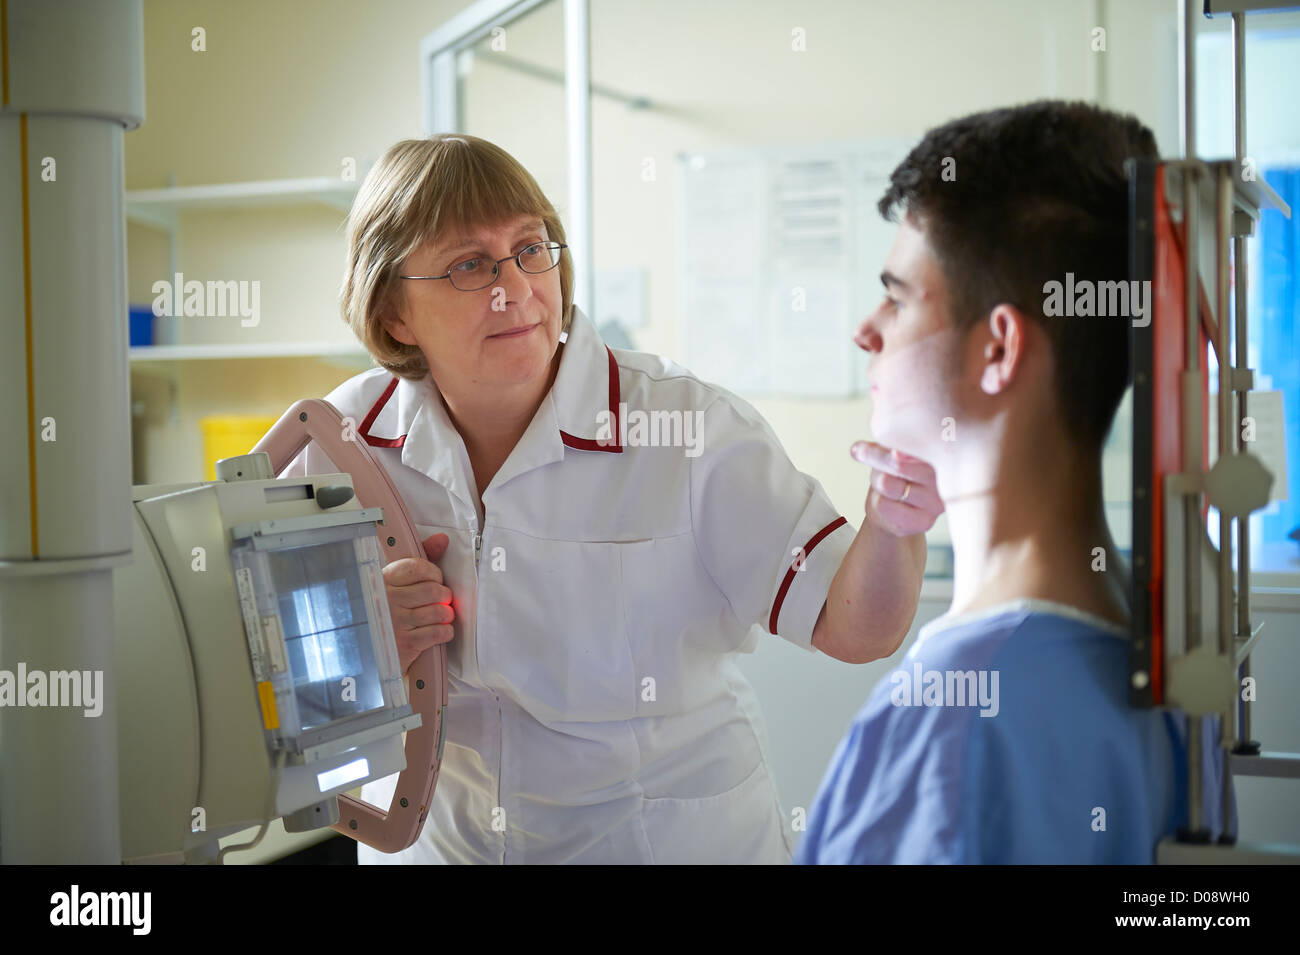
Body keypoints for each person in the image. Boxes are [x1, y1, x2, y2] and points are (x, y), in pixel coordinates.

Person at [282, 133, 943, 864]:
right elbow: (265, 682)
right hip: (443, 848)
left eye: (531, 248)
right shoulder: (339, 444)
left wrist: (895, 515)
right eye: (469, 264)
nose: (516, 287)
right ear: (394, 312)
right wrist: (360, 640)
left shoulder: (683, 427)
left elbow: (856, 628)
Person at [794, 100, 1232, 864]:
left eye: (898, 297)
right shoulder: (1166, 668)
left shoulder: (948, 723)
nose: (867, 330)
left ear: (999, 348)